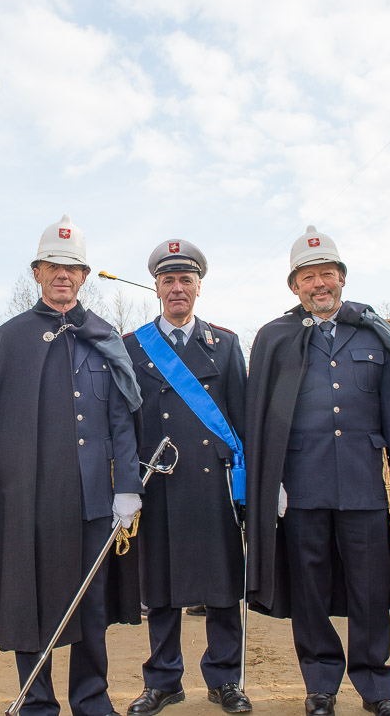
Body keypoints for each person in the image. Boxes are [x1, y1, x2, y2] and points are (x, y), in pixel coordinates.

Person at [245, 226, 390, 716]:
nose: (318, 283)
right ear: (294, 286)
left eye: (327, 273)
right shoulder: (275, 338)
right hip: (301, 489)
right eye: (308, 276)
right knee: (309, 589)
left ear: (342, 278)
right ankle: (320, 684)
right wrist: (270, 483)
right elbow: (264, 421)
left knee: (370, 589)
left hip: (365, 489)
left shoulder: (374, 334)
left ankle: (376, 686)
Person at [0, 214, 143, 716]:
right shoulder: (11, 338)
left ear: (84, 276)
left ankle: (91, 699)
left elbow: (121, 420)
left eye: (73, 268)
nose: (63, 275)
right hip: (31, 500)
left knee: (90, 606)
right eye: (53, 265)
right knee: (32, 601)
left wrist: (128, 487)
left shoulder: (105, 336)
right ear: (36, 272)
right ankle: (37, 701)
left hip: (95, 500)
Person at [122, 240, 250, 715]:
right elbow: (124, 420)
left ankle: (225, 679)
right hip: (157, 482)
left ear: (198, 287)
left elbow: (240, 418)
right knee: (159, 588)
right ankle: (163, 680)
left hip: (211, 484)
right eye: (168, 280)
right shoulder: (132, 346)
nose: (177, 288)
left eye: (186, 281)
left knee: (220, 587)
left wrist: (248, 488)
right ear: (156, 287)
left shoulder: (226, 343)